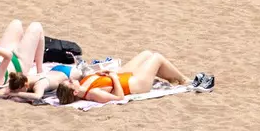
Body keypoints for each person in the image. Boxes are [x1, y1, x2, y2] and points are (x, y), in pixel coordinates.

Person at [58, 52, 213, 102]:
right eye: (70, 83)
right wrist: (114, 78)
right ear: (75, 92)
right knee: (157, 58)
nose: (72, 80)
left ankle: (173, 78)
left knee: (146, 53)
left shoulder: (84, 85)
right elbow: (118, 98)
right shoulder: (92, 93)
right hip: (135, 85)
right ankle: (186, 80)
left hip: (123, 74)